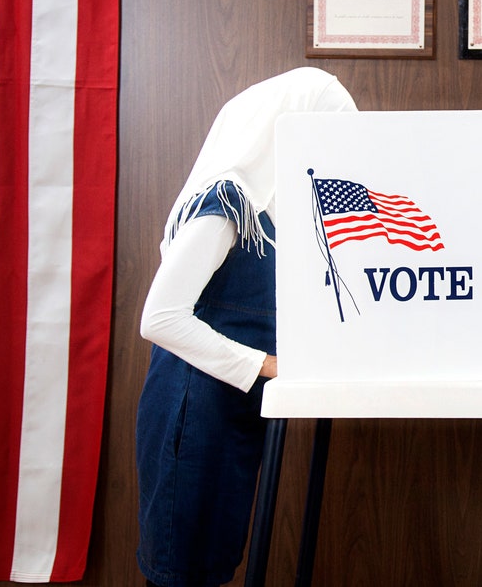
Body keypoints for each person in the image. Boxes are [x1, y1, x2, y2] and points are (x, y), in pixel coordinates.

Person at [136, 67, 357, 587]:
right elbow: (160, 318)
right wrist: (266, 365)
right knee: (181, 570)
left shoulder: (270, 215)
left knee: (212, 565)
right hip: (190, 414)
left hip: (232, 411)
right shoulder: (225, 203)